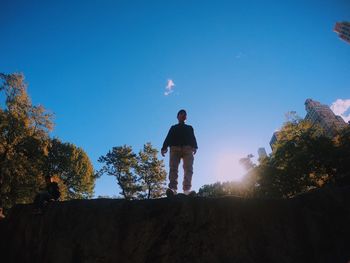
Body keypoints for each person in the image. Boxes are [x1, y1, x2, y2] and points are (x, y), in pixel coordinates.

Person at [161, 109, 198, 197]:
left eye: (184, 114)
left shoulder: (189, 127)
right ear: (177, 117)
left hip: (187, 149)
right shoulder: (173, 127)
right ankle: (173, 189)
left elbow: (193, 137)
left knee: (188, 169)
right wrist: (164, 147)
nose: (183, 115)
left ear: (186, 117)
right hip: (175, 148)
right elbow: (168, 137)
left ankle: (187, 190)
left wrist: (195, 146)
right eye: (181, 114)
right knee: (173, 168)